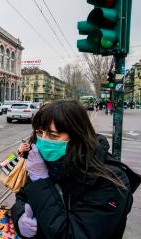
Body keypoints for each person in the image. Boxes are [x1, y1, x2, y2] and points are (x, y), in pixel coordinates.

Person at [11, 100, 138, 239]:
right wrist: (19, 217)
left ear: (77, 135)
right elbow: (22, 197)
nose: (43, 140)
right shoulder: (46, 162)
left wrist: (41, 181)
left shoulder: (111, 182)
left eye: (53, 135)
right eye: (39, 133)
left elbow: (72, 234)